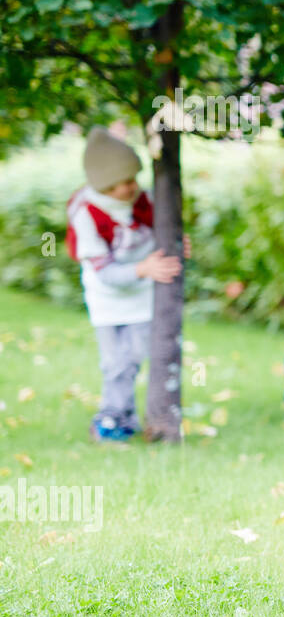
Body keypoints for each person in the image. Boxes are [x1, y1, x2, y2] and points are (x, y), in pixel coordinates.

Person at [67, 128, 184, 441]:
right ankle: (109, 418)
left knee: (132, 358)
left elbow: (157, 232)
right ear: (105, 184)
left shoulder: (141, 200)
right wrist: (143, 269)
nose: (134, 186)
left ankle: (124, 416)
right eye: (126, 182)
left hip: (143, 296)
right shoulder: (87, 214)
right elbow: (105, 272)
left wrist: (174, 245)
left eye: (135, 178)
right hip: (107, 297)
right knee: (114, 363)